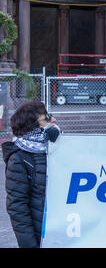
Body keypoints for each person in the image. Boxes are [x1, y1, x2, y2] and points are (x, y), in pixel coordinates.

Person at [2, 101, 60, 248]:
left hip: (65, 230)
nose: (53, 120)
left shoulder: (56, 147)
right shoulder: (19, 158)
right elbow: (17, 207)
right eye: (47, 117)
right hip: (41, 236)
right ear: (33, 126)